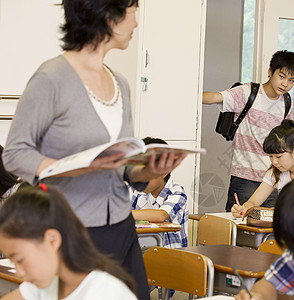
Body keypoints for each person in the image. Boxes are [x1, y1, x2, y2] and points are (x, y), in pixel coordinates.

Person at [2, 1, 186, 299]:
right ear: (107, 14)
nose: (136, 24)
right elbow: (14, 154)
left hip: (121, 226)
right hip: (74, 229)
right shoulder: (51, 78)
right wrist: (76, 166)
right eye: (132, 13)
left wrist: (147, 170)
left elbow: (122, 165)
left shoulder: (121, 84)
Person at [203, 50, 294, 212]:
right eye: (282, 76)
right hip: (245, 178)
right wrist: (188, 96)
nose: (285, 84)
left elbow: (288, 138)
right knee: (238, 225)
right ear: (270, 71)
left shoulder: (286, 102)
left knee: (268, 230)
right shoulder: (248, 92)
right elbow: (213, 97)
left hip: (273, 177)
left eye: (292, 80)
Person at [0, 184, 137, 300]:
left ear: (52, 240)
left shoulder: (104, 293)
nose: (19, 272)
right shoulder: (44, 281)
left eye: (19, 260)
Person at [231, 119, 294, 217]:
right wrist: (242, 209)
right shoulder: (276, 171)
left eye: (279, 157)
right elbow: (253, 202)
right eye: (270, 156)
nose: (274, 162)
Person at [129, 137, 188, 248]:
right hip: (144, 252)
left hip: (172, 258)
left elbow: (161, 215)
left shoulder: (177, 193)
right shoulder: (136, 191)